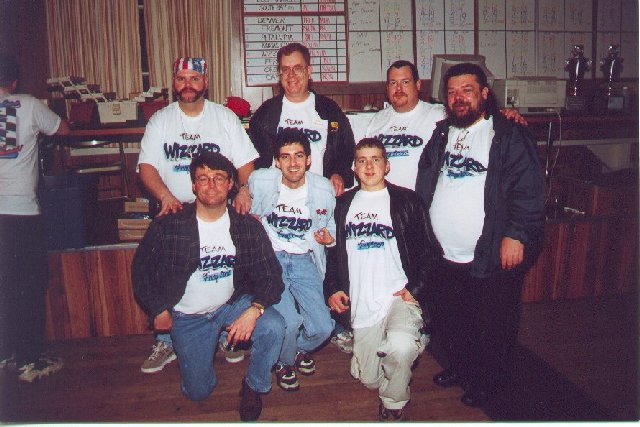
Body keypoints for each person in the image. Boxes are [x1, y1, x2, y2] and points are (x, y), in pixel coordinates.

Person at [415, 63, 545, 407]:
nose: (459, 98)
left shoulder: (507, 134)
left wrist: (516, 234)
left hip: (489, 251)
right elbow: (426, 180)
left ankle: (489, 383)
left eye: (467, 90)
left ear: (485, 94)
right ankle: (460, 368)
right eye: (453, 92)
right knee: (453, 319)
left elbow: (529, 190)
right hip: (444, 252)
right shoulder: (443, 132)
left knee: (492, 326)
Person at [131, 152, 285, 421]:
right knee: (198, 392)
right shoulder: (170, 224)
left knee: (273, 325)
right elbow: (142, 270)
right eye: (203, 178)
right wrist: (158, 309)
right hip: (188, 317)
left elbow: (271, 275)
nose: (211, 185)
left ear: (230, 185)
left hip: (230, 305)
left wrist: (254, 309)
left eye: (219, 178)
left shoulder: (246, 226)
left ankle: (254, 385)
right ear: (193, 185)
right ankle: (216, 341)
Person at [136, 57, 258, 373]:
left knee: (221, 271)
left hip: (219, 212)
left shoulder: (225, 117)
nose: (187, 84)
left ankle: (220, 329)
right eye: (181, 78)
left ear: (205, 80)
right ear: (173, 83)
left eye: (194, 77)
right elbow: (147, 167)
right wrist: (166, 197)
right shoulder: (160, 120)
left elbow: (245, 164)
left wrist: (244, 189)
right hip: (176, 212)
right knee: (169, 274)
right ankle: (166, 342)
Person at [324, 138, 433, 421]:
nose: (369, 165)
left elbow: (431, 252)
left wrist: (416, 289)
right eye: (362, 160)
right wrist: (333, 288)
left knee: (401, 346)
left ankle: (393, 403)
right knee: (369, 379)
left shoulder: (407, 201)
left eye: (375, 159)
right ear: (354, 168)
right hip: (363, 301)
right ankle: (389, 356)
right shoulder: (342, 204)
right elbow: (333, 254)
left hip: (398, 296)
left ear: (387, 165)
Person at [0, 53, 69, 382]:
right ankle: (29, 360)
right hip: (21, 211)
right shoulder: (27, 104)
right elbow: (62, 128)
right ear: (14, 82)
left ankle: (5, 353)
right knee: (28, 285)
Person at [248, 127, 335, 391]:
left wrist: (328, 237)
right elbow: (243, 189)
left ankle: (295, 350)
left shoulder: (322, 187)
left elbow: (329, 222)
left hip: (304, 259)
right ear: (276, 161)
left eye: (299, 156)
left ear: (309, 159)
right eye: (285, 157)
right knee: (289, 321)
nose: (293, 163)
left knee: (323, 327)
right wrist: (242, 191)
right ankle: (285, 363)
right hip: (271, 259)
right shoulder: (261, 180)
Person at [365, 60, 527, 192]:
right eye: (393, 83)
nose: (398, 89)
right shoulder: (375, 121)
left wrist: (504, 114)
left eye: (405, 82)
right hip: (383, 205)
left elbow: (474, 113)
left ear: (418, 85)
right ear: (387, 88)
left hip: (419, 207)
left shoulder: (441, 114)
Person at [248, 42, 355, 197]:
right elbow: (251, 158)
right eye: (285, 69)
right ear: (280, 74)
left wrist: (338, 173)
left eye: (297, 68)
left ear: (309, 71)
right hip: (275, 199)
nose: (291, 75)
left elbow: (347, 150)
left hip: (318, 198)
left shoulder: (330, 110)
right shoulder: (265, 113)